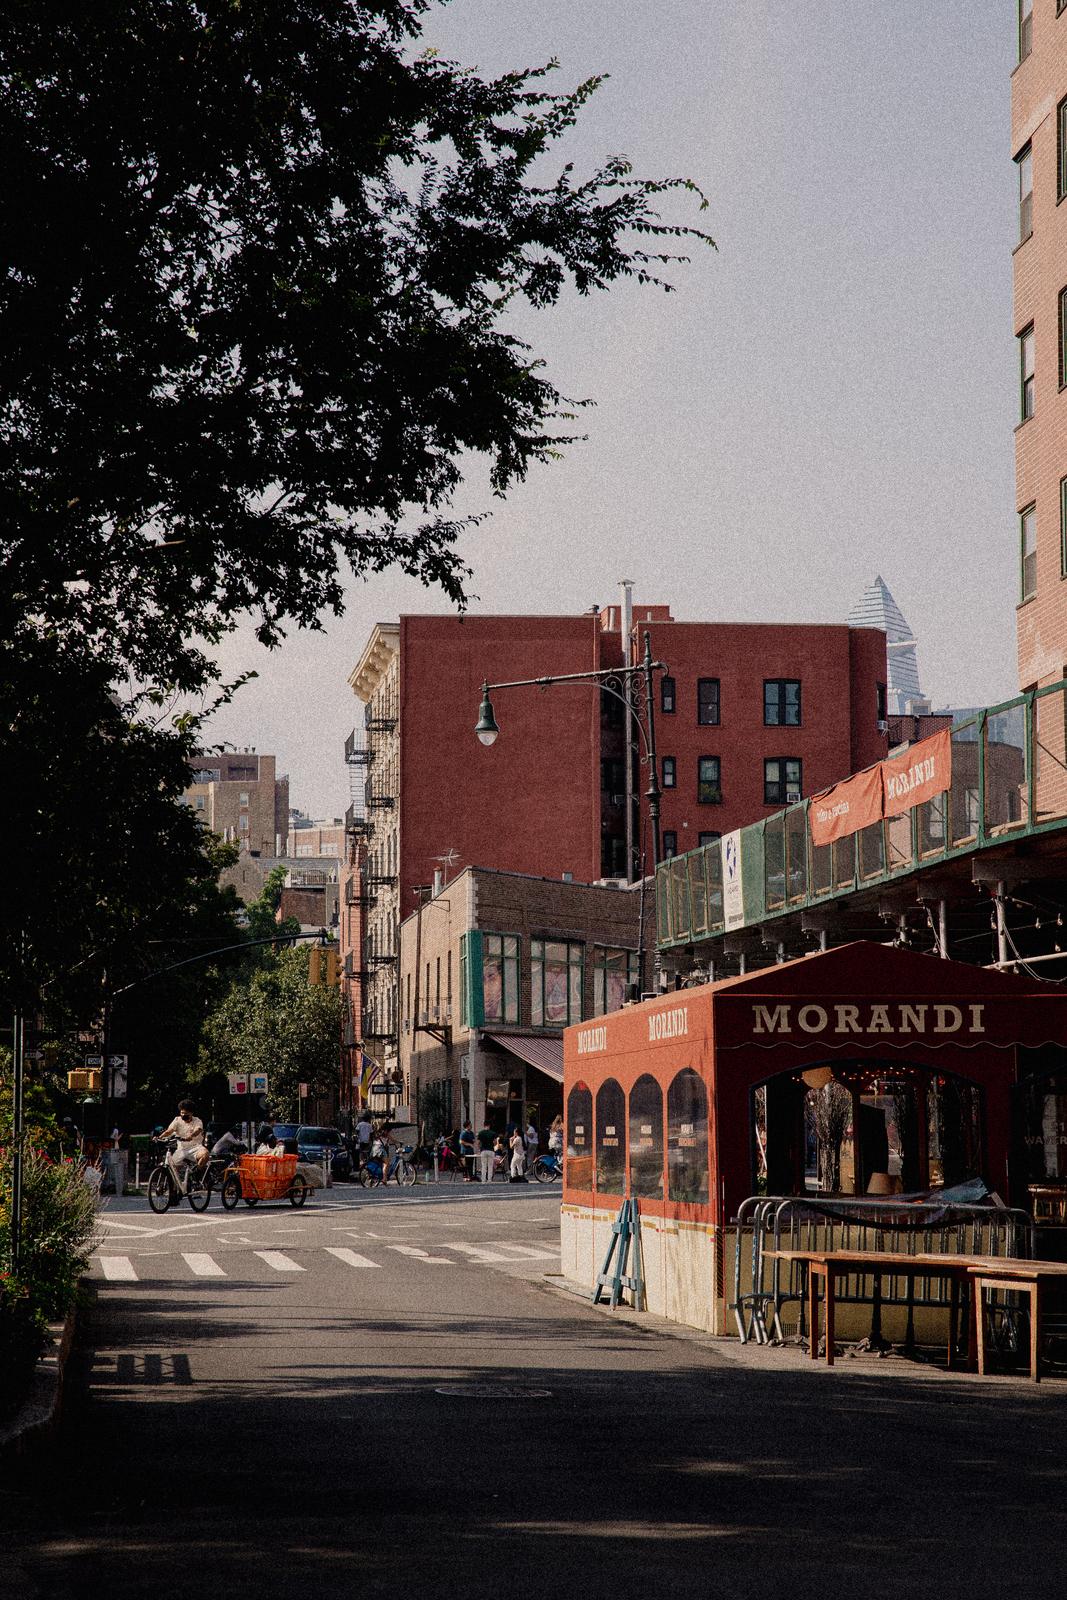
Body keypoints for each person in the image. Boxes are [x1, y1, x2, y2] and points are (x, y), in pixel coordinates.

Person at [156, 1100, 206, 1186]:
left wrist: (191, 1136)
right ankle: (175, 1190)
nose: (183, 1115)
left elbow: (198, 1130)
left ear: (191, 1113)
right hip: (181, 1149)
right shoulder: (177, 1120)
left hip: (195, 1147)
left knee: (205, 1155)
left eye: (186, 1113)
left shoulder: (197, 1121)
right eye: (182, 1113)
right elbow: (169, 1131)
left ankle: (196, 1176)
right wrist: (159, 1137)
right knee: (171, 1170)